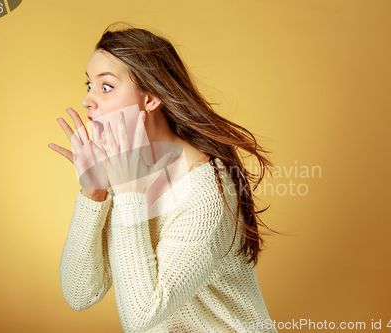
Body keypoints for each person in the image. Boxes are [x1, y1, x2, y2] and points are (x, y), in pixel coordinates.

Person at [48, 22, 279, 333]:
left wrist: (129, 194)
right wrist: (95, 194)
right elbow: (80, 294)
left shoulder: (206, 191)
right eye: (88, 85)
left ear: (151, 99)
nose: (88, 101)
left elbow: (142, 316)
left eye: (106, 87)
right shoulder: (125, 170)